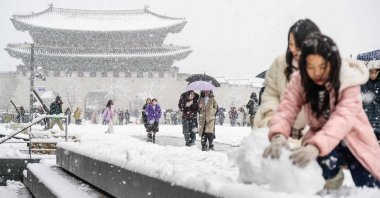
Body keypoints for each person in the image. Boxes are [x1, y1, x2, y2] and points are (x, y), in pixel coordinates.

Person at [263, 32, 380, 189]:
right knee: (321, 167)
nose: (316, 73)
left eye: (321, 66)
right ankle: (331, 181)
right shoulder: (301, 79)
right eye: (310, 66)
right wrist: (278, 134)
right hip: (324, 142)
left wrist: (315, 146)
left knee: (370, 187)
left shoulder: (348, 80)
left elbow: (342, 120)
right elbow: (287, 108)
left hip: (355, 139)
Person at [254, 18, 321, 140]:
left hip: (311, 134)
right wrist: (272, 121)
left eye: (300, 45)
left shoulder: (324, 68)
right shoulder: (280, 63)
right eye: (291, 44)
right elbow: (270, 94)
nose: (295, 50)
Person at [361, 67, 380, 141]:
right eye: (371, 72)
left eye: (376, 72)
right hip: (367, 118)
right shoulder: (361, 83)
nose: (374, 75)